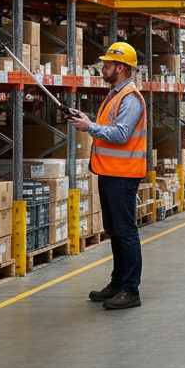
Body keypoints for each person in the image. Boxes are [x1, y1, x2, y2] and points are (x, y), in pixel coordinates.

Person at [69, 42, 148, 311]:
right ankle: (117, 283)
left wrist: (90, 127)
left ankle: (130, 289)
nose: (102, 67)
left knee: (126, 232)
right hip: (108, 172)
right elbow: (109, 127)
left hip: (123, 175)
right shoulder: (115, 94)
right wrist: (88, 120)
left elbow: (122, 134)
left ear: (120, 67)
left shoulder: (130, 97)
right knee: (114, 231)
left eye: (107, 64)